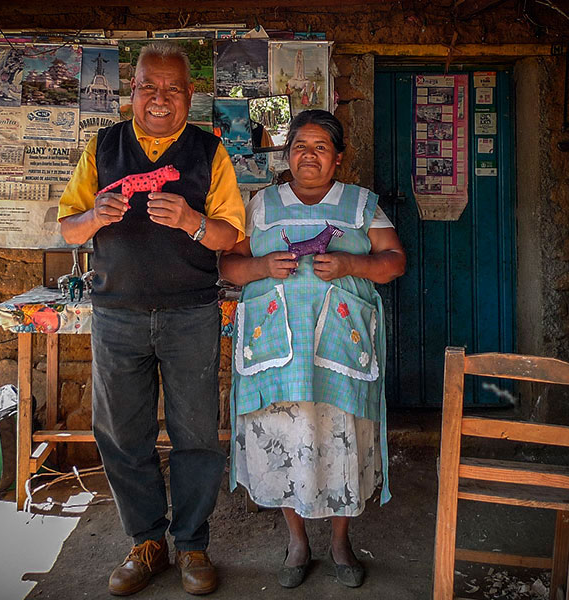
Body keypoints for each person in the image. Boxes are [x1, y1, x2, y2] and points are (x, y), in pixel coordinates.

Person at [58, 41, 245, 597]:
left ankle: (191, 544)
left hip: (191, 312)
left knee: (195, 435)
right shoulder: (103, 148)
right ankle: (146, 542)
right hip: (116, 313)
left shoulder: (210, 153)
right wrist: (94, 216)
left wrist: (191, 220)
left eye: (172, 89)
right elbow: (67, 228)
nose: (159, 99)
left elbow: (230, 235)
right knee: (120, 432)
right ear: (131, 92)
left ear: (190, 95)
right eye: (148, 87)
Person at [218, 110, 406, 589]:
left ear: (338, 158)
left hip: (340, 355)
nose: (309, 155)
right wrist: (261, 269)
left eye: (321, 147)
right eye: (300, 146)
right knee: (284, 438)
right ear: (288, 154)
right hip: (279, 355)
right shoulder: (261, 207)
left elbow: (394, 262)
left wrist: (350, 262)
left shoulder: (362, 206)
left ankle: (340, 540)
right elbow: (229, 267)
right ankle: (297, 538)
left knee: (342, 442)